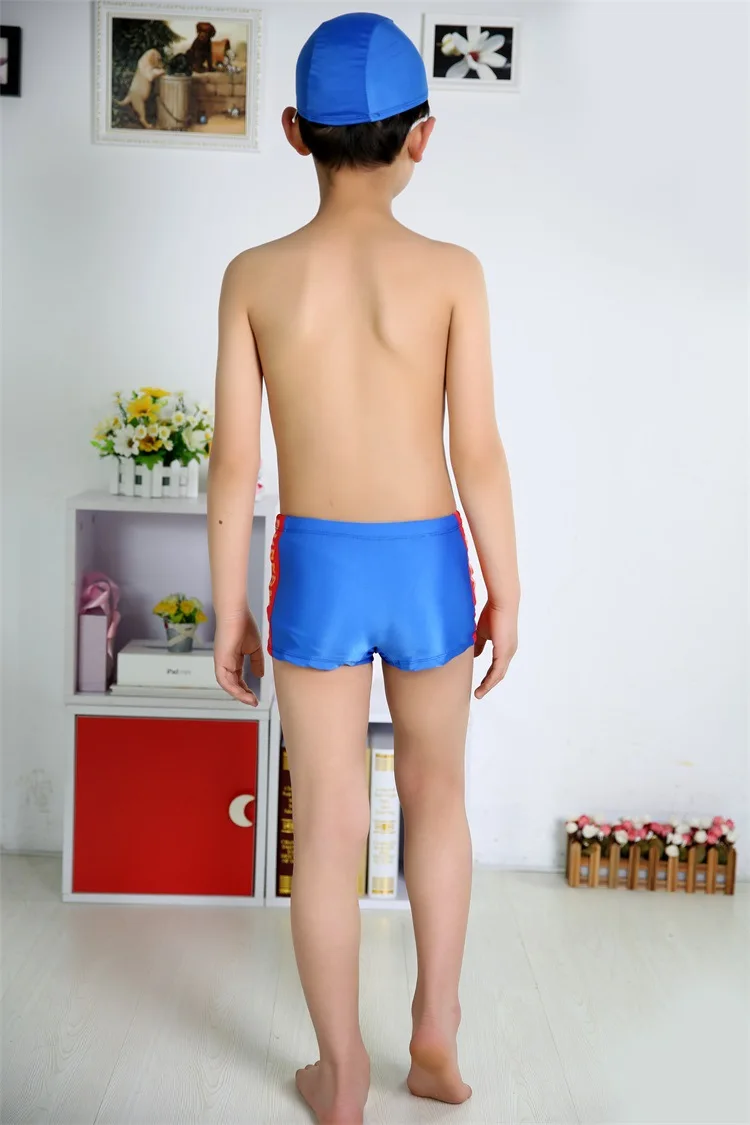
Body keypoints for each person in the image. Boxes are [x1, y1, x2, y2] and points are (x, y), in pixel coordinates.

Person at [207, 13, 520, 1125]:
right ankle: (435, 1034)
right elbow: (477, 450)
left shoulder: (254, 276)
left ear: (295, 132)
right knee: (438, 797)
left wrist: (231, 610)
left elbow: (233, 464)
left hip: (319, 568)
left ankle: (339, 1075)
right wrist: (508, 587)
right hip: (428, 561)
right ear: (421, 136)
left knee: (331, 820)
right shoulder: (452, 274)